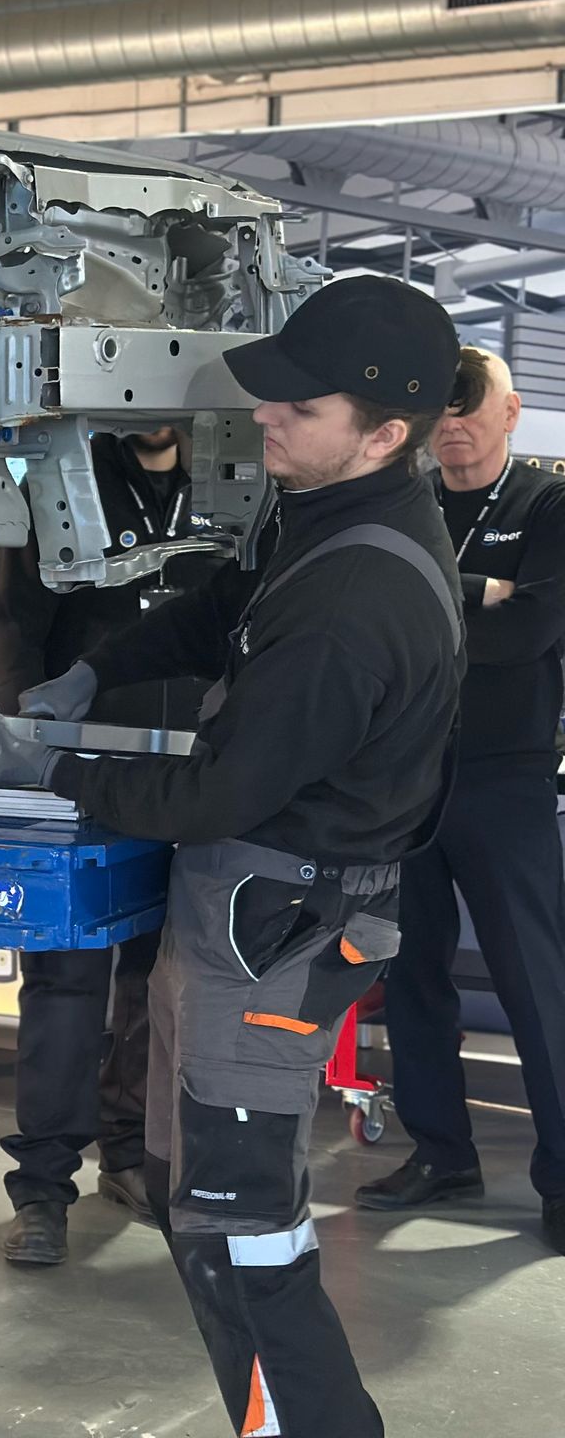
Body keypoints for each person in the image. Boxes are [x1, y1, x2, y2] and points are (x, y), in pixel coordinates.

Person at [0, 274, 465, 1438]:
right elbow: (224, 604)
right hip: (257, 910)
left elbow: (210, 790)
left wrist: (54, 773)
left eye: (297, 407)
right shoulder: (331, 516)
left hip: (268, 936)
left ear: (383, 433)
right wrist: (100, 671)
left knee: (242, 1235)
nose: (264, 418)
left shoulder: (354, 602)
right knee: (207, 1215)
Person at [358, 347, 565, 1257]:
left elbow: (531, 631)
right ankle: (442, 1152)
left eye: (470, 400)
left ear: (511, 409)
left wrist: (443, 608)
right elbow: (374, 620)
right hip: (407, 773)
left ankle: (561, 1176)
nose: (454, 419)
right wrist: (481, 592)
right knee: (412, 975)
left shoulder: (550, 505)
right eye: (439, 402)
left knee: (536, 982)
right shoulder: (409, 503)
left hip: (505, 777)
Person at [0, 427, 201, 1265]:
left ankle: (129, 1157)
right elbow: (12, 631)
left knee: (158, 982)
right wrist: (34, 753)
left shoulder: (228, 486)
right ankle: (41, 1188)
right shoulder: (58, 479)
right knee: (66, 984)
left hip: (186, 774)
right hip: (81, 771)